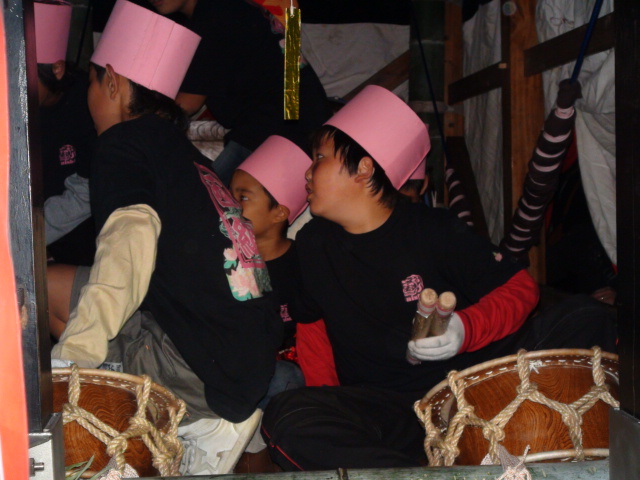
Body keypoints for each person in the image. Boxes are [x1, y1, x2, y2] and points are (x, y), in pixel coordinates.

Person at [261, 85, 616, 470]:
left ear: (363, 168)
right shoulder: (313, 243)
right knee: (287, 416)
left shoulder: (431, 228)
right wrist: (333, 404)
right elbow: (313, 329)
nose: (308, 172)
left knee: (588, 316)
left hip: (480, 382)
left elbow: (521, 289)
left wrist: (463, 329)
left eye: (319, 158)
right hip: (395, 408)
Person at [51, 1, 282, 475]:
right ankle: (205, 424)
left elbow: (129, 240)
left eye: (91, 84)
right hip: (247, 362)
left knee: (36, 288)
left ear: (111, 82)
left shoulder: (123, 141)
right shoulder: (187, 156)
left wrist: (71, 362)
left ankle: (166, 427)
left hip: (201, 369)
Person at [150, 0, 331, 185]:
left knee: (211, 199)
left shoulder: (213, 17)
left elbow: (188, 103)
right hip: (300, 116)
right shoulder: (233, 7)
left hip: (280, 127)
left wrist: (131, 125)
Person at [34, 0, 97, 266]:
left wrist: (29, 235)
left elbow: (86, 193)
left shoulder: (89, 103)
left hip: (79, 240)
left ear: (56, 69)